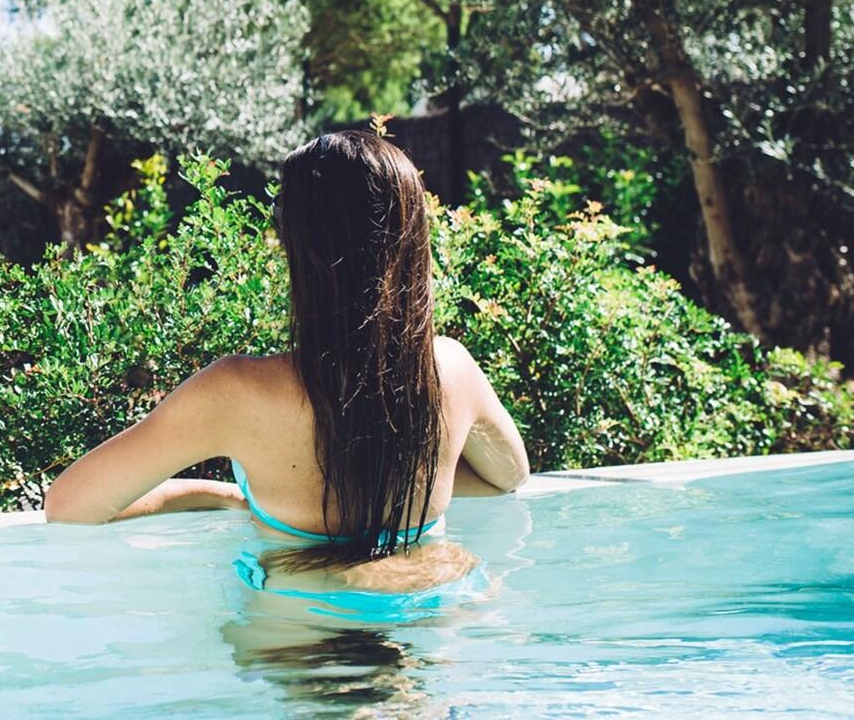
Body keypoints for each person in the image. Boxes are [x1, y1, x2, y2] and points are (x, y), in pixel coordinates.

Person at [43, 130, 529, 615]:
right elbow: (509, 476)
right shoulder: (452, 369)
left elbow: (71, 506)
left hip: (297, 620)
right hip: (435, 606)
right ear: (411, 237)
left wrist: (222, 494)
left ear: (294, 243)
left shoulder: (237, 391)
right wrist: (406, 466)